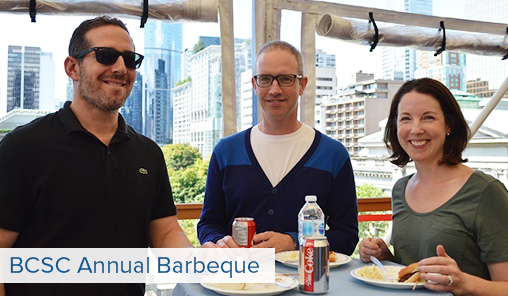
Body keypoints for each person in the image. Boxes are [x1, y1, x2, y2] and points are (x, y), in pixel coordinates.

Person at [0, 16, 194, 296]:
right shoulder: (23, 147)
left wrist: (206, 270)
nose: (120, 68)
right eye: (105, 56)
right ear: (73, 67)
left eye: (130, 59)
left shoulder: (148, 153)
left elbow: (164, 232)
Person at [197, 40, 358, 254]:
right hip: (239, 282)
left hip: (307, 281)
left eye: (285, 79)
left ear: (302, 85)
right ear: (254, 85)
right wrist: (218, 242)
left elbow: (346, 236)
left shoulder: (332, 155)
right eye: (265, 79)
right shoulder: (226, 152)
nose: (274, 89)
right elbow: (208, 223)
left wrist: (294, 242)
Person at [358, 78, 508, 295]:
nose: (416, 129)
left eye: (428, 118)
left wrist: (462, 283)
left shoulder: (486, 192)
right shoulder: (400, 189)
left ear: (448, 125)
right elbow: (412, 272)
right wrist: (384, 256)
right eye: (406, 119)